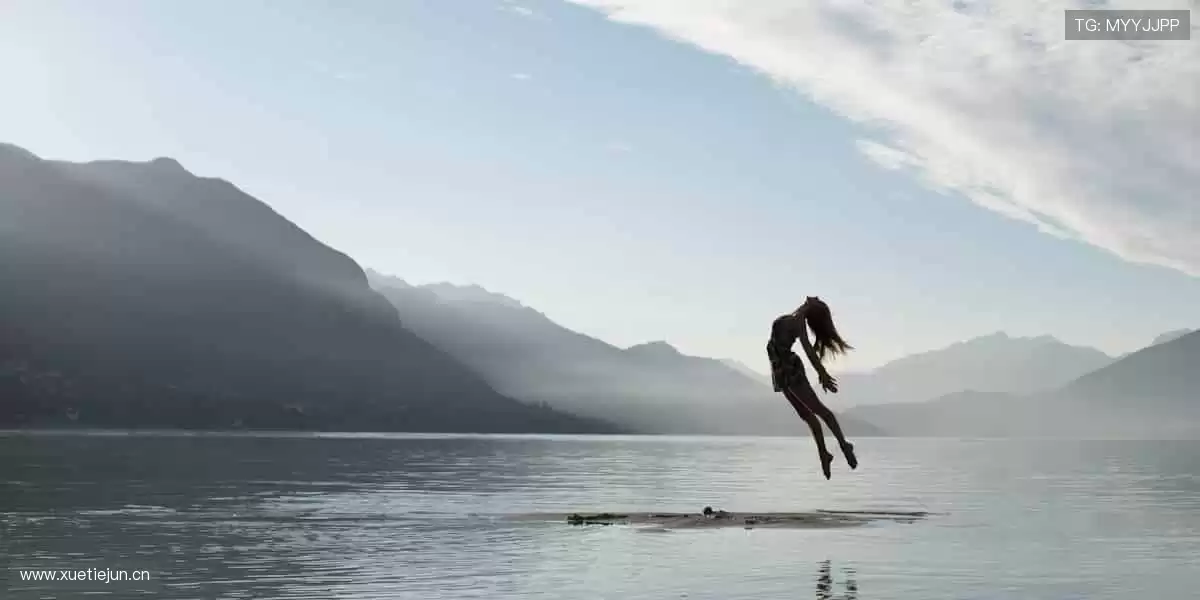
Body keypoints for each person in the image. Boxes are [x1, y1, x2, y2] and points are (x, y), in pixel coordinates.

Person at [767, 296, 858, 480]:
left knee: (819, 410)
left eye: (816, 300)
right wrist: (808, 305)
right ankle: (824, 454)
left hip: (788, 368)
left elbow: (808, 349)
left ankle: (843, 444)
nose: (812, 297)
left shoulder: (798, 321)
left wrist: (822, 373)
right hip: (778, 369)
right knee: (807, 416)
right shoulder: (795, 315)